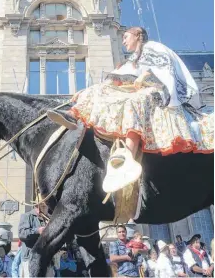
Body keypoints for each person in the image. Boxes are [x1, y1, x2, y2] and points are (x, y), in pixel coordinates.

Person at [47, 27, 213, 191]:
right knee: (98, 90)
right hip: (138, 89)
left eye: (126, 37)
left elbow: (166, 68)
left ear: (138, 36)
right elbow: (116, 77)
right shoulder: (132, 58)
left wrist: (146, 75)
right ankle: (70, 116)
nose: (124, 41)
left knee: (134, 102)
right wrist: (86, 91)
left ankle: (127, 154)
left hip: (157, 91)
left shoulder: (152, 47)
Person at [18, 205, 47, 277]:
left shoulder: (46, 218)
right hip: (31, 258)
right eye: (45, 206)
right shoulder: (27, 216)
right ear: (38, 206)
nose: (47, 208)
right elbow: (22, 234)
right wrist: (37, 231)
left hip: (46, 259)